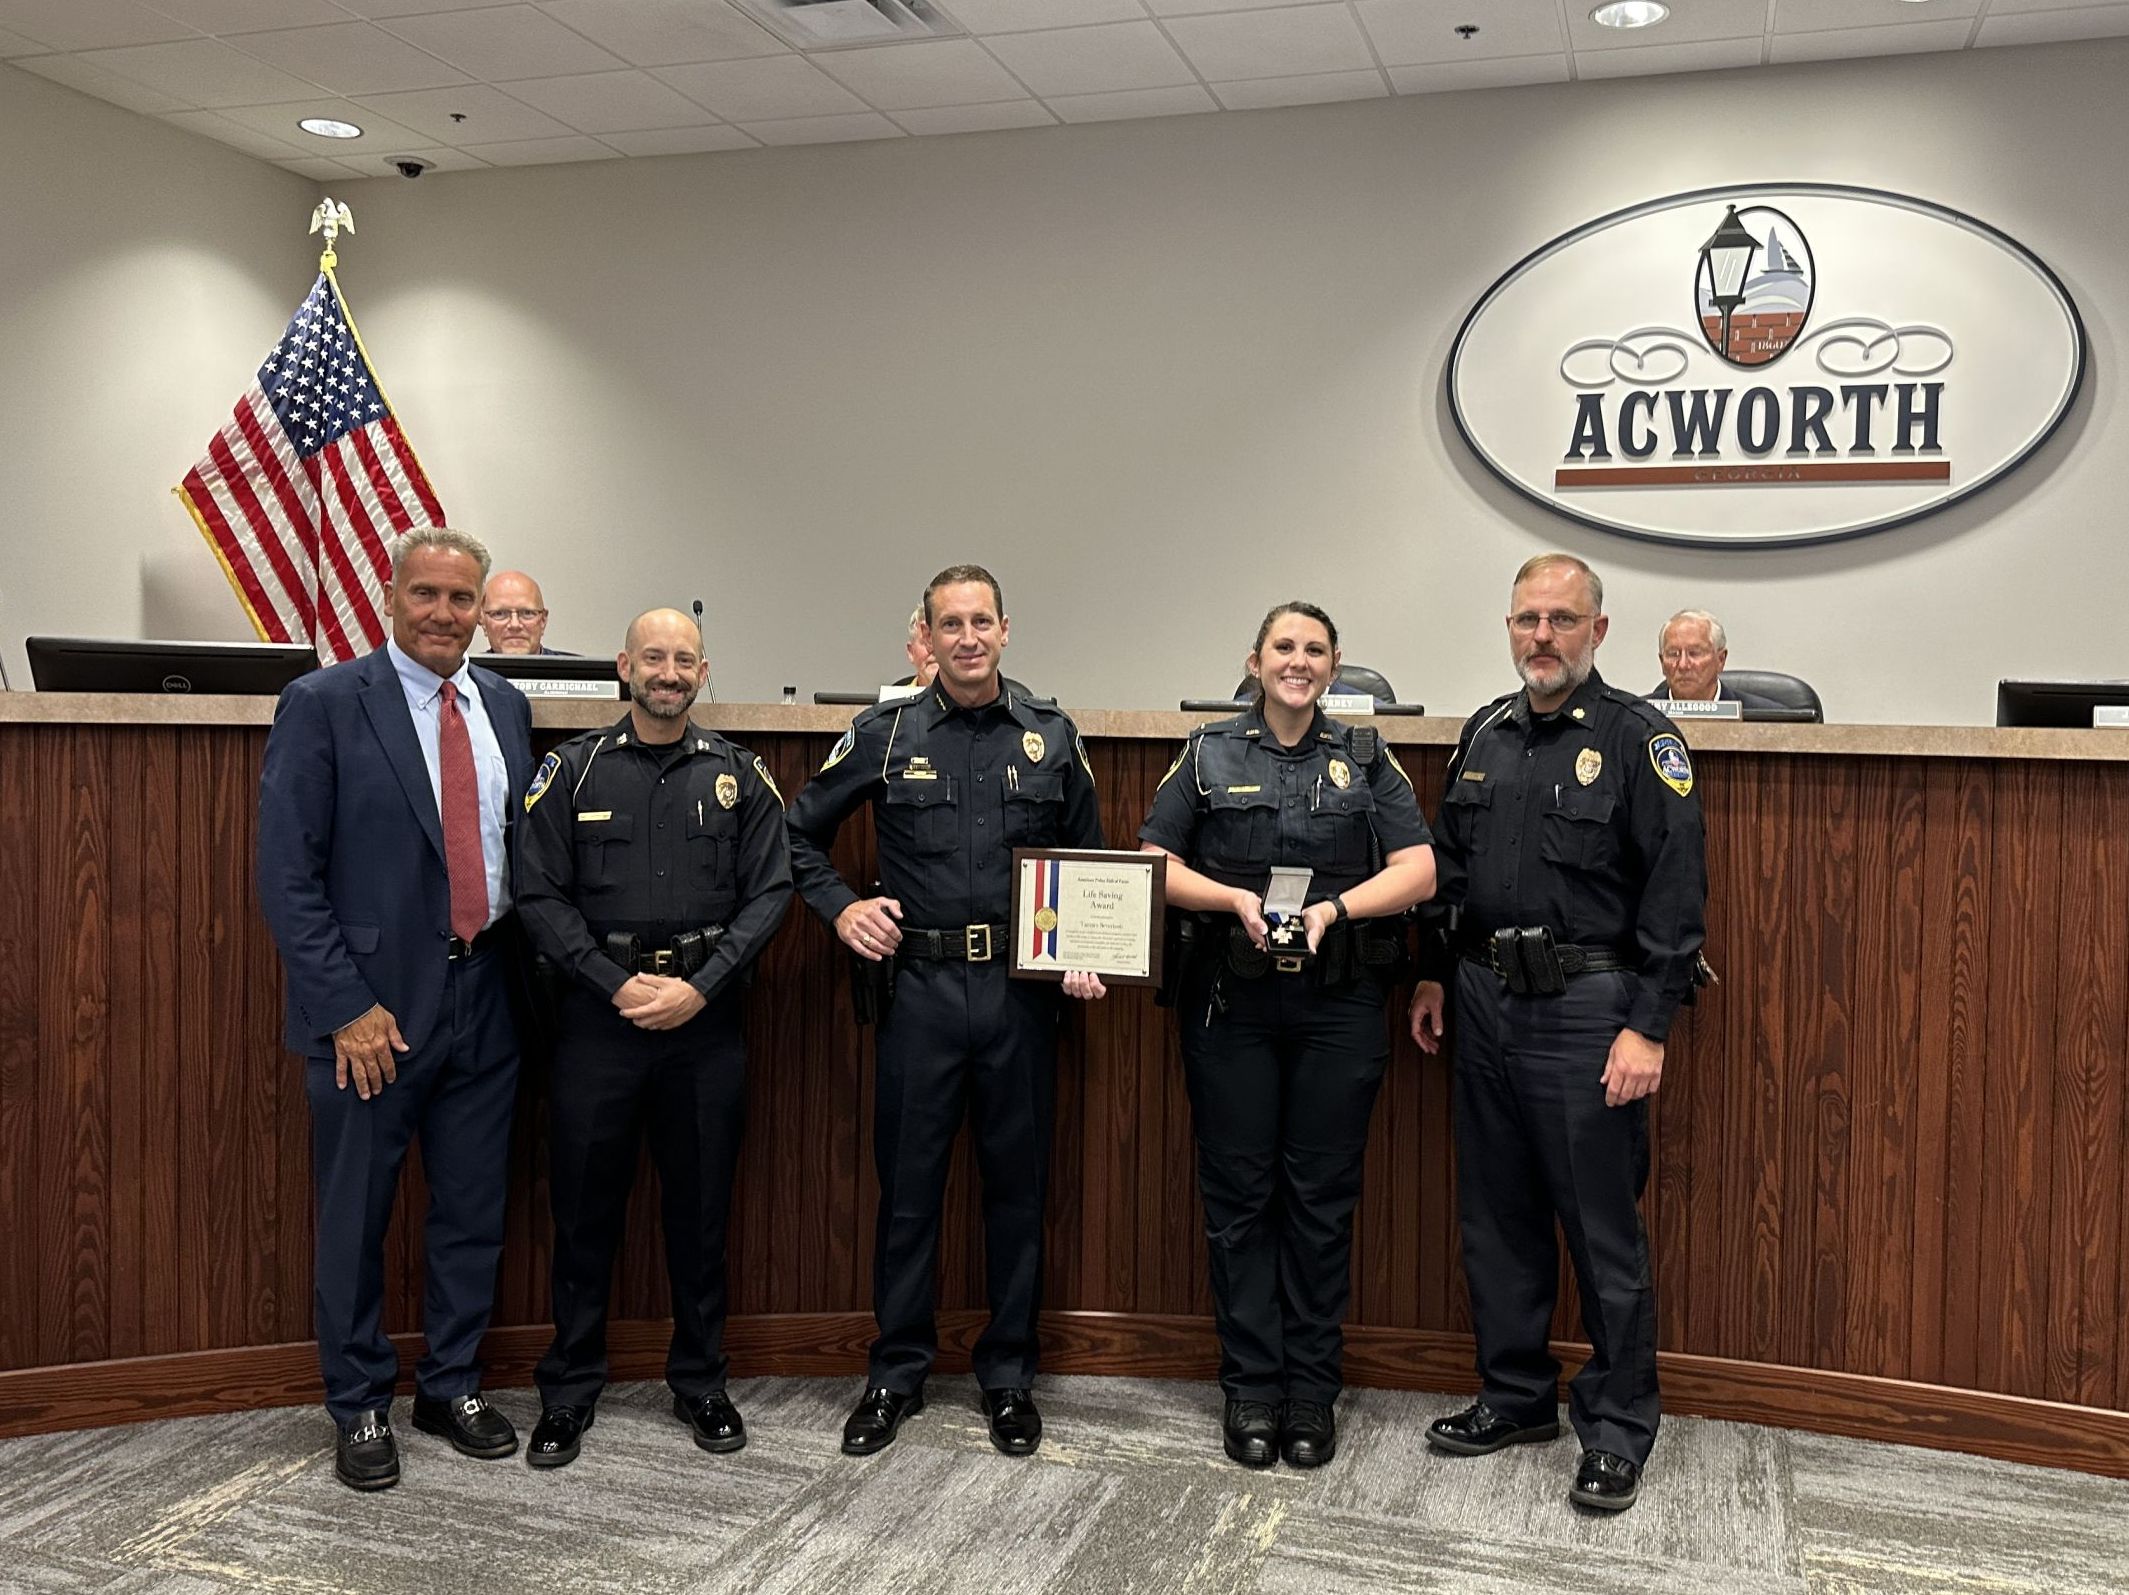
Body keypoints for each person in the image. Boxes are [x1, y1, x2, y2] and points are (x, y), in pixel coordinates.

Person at [787, 563, 1106, 1459]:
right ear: (924, 637)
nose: (967, 638)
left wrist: (1084, 943)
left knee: (1016, 1189)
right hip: (919, 993)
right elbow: (794, 834)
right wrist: (841, 907)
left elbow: (1087, 856)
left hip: (1018, 995)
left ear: (1007, 629)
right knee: (908, 1193)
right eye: (949, 625)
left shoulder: (1049, 733)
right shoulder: (884, 735)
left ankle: (1008, 1376)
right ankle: (896, 1370)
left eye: (981, 622)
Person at [1410, 553, 1707, 1513]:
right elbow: (1450, 873)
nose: (1541, 636)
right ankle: (1514, 1395)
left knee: (1600, 1226)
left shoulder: (1639, 739)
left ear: (1598, 631)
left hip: (1588, 1009)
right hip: (1483, 999)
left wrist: (1648, 1027)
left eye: (1562, 619)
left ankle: (1617, 1426)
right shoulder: (1483, 735)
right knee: (1494, 1218)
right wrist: (1430, 971)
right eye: (1526, 619)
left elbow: (1674, 892)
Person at [255, 526, 536, 1492]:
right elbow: (287, 875)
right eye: (428, 594)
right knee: (355, 1213)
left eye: (464, 600)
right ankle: (361, 1399)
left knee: (471, 1207)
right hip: (373, 1011)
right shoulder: (326, 702)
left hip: (489, 994)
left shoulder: (503, 702)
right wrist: (345, 1007)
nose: (446, 615)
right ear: (391, 595)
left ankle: (450, 1381)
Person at [1139, 602, 1434, 1470]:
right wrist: (1229, 898)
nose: (1297, 662)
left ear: (1334, 664)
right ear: (1254, 660)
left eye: (1313, 649)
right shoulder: (1206, 753)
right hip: (1231, 1003)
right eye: (1282, 648)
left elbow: (1417, 867)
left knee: (1319, 1200)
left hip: (1337, 1006)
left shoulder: (1366, 757)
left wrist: (1334, 909)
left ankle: (1311, 1390)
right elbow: (1153, 858)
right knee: (1238, 1199)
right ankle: (1250, 1389)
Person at [514, 608, 793, 1468]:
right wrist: (616, 983)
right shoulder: (569, 769)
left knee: (701, 1214)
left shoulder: (741, 775)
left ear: (703, 672)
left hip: (703, 1029)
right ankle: (567, 1390)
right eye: (654, 658)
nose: (669, 672)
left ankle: (701, 1381)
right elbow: (537, 893)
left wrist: (700, 988)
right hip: (598, 1024)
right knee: (583, 1214)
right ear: (624, 666)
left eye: (685, 660)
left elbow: (771, 892)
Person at [1648, 609, 1775, 709]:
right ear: (1662, 662)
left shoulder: (1768, 717)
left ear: (1720, 660)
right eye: (1673, 654)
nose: (1683, 665)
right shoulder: (1637, 718)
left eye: (1694, 653)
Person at [479, 570, 574, 656]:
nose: (514, 625)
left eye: (527, 613)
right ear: (482, 620)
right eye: (499, 614)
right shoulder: (467, 673)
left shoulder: (580, 672)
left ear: (543, 620)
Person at [899, 604, 938, 687]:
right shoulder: (895, 698)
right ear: (911, 652)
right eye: (926, 642)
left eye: (940, 642)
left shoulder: (971, 697)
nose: (934, 649)